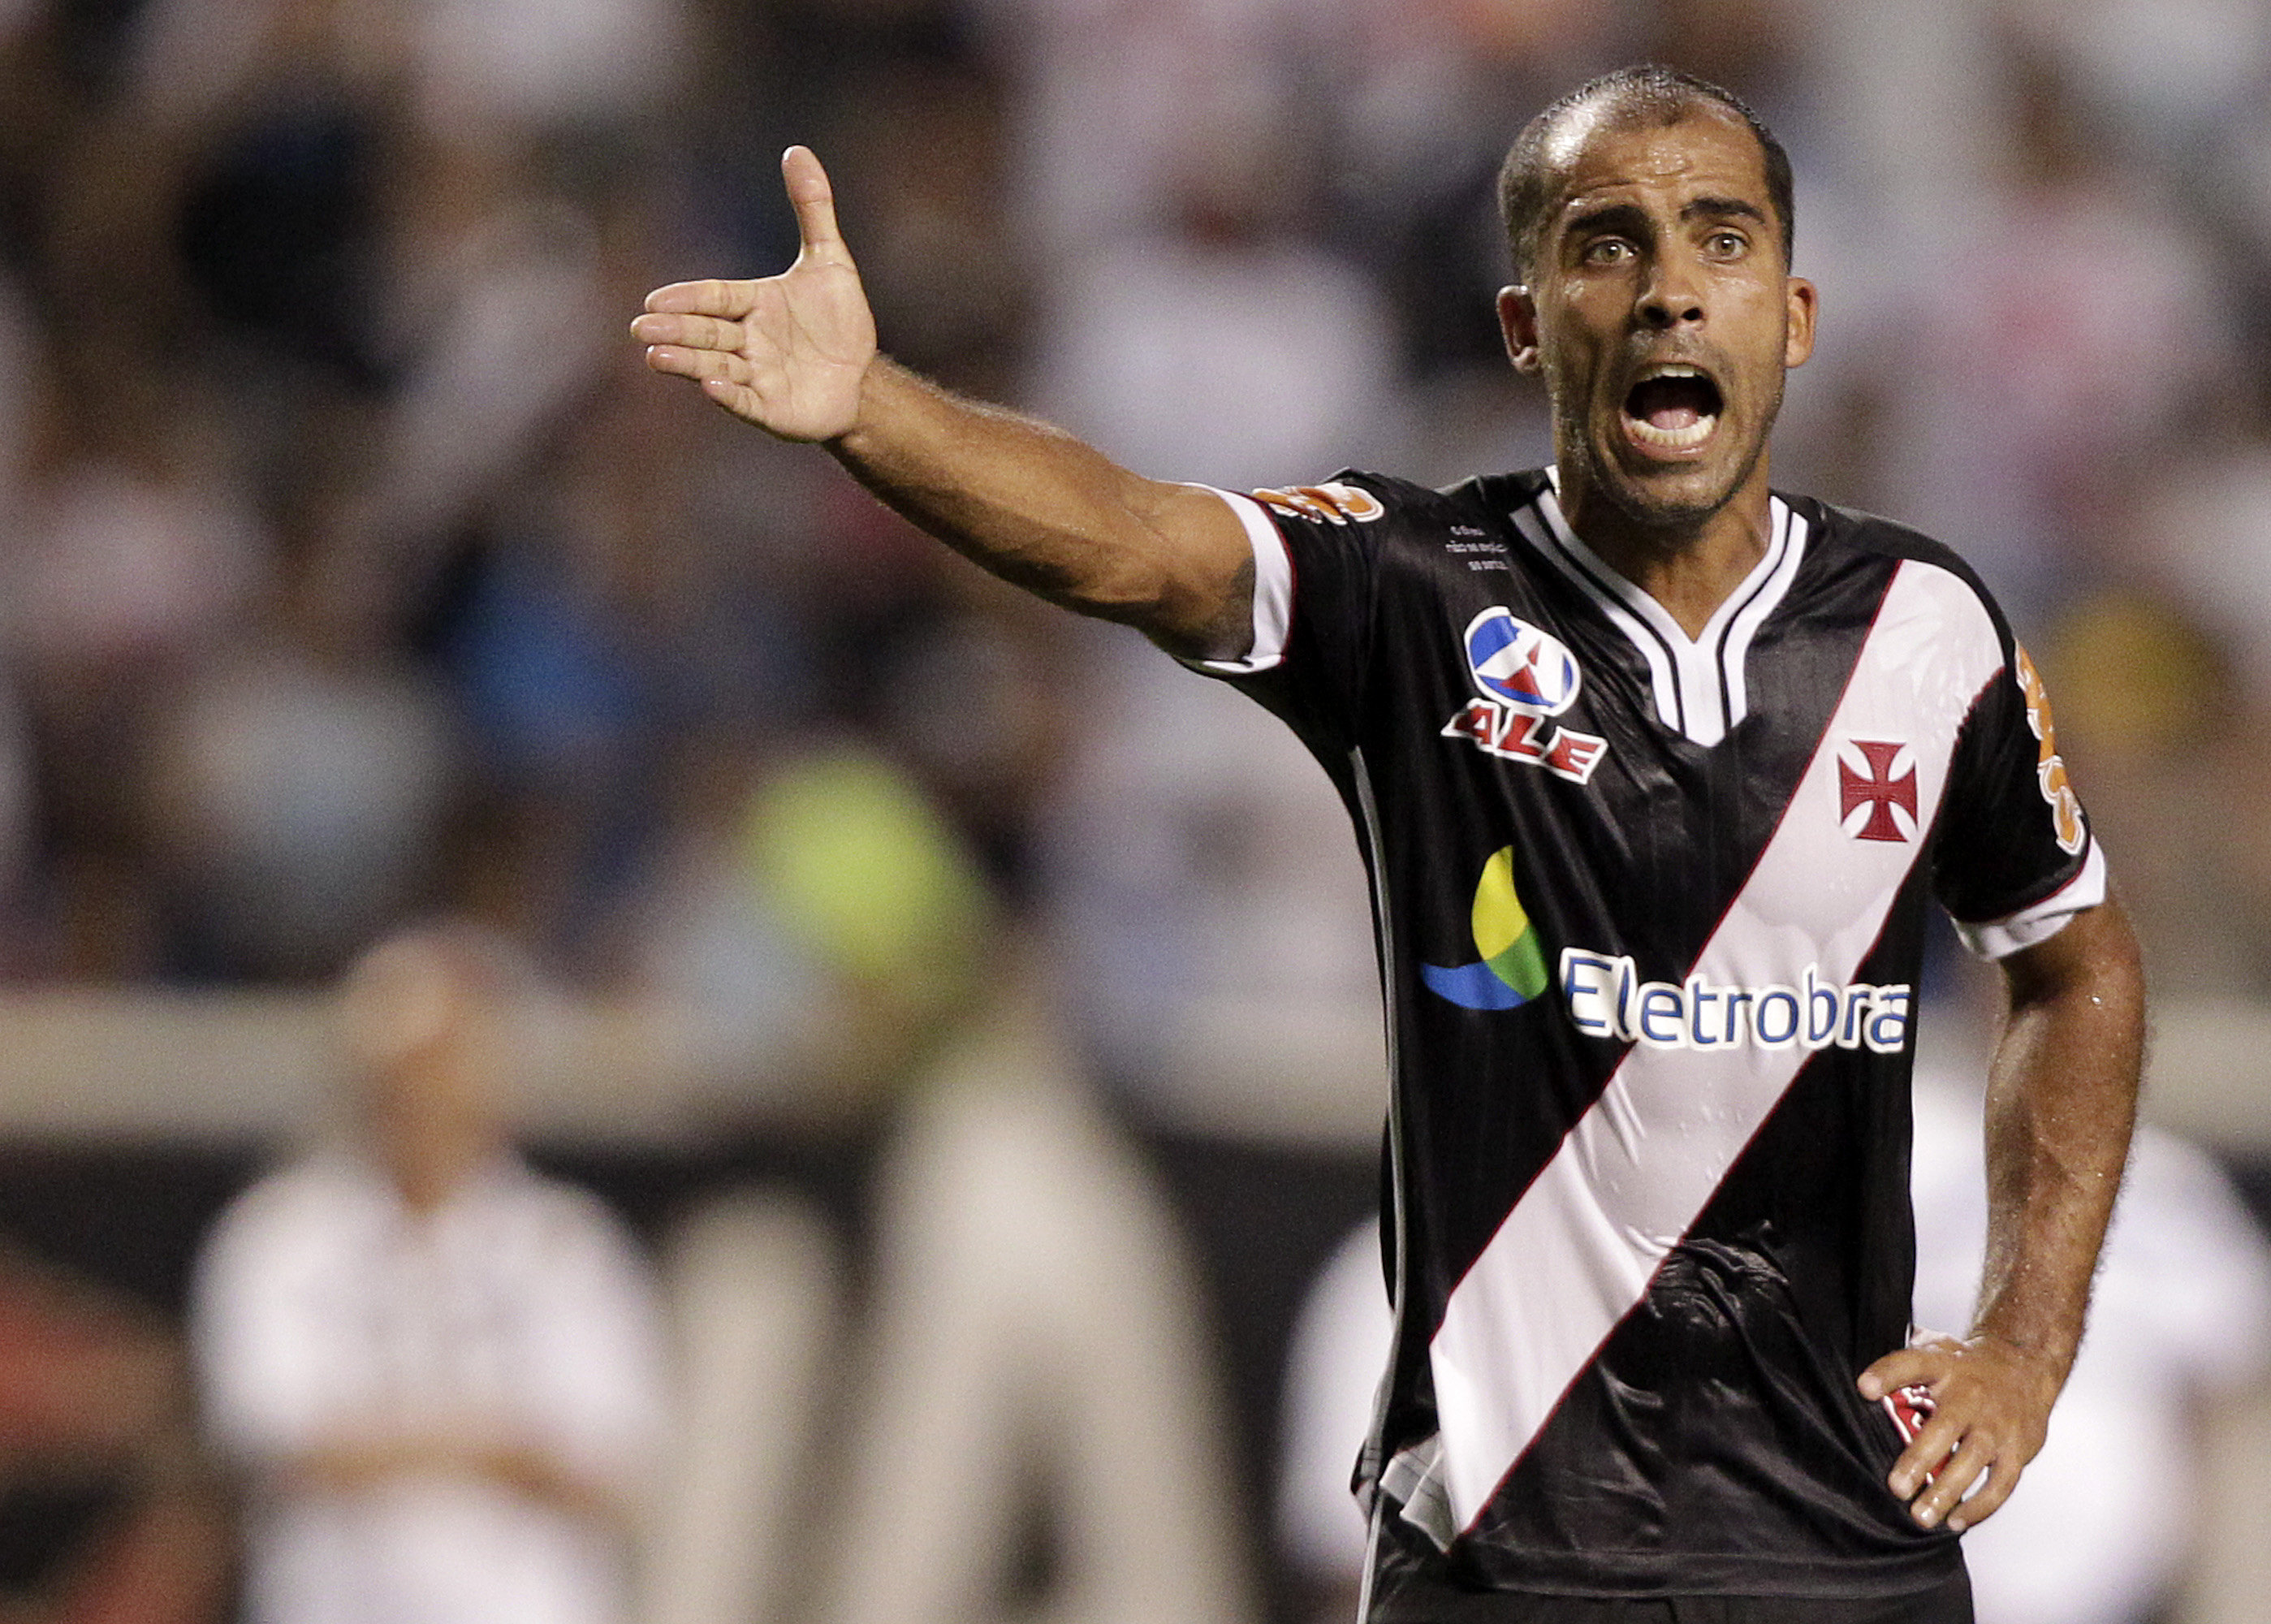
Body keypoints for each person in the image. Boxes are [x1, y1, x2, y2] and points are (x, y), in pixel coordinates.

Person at [631, 64, 2144, 1623]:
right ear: (1523, 323)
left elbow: (2074, 961)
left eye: (1722, 240)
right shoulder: (1424, 593)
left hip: (1846, 1550)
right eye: (1607, 243)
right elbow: (1136, 538)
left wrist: (2026, 1344)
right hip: (1506, 1547)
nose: (1672, 291)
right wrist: (870, 408)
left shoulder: (1925, 628)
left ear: (1799, 314)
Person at [189, 923, 666, 1624]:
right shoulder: (280, 1236)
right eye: (397, 1067)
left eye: (441, 1062)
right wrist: (496, 1450)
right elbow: (276, 1441)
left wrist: (388, 1447)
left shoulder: (565, 1245)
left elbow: (609, 1463)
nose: (418, 1094)